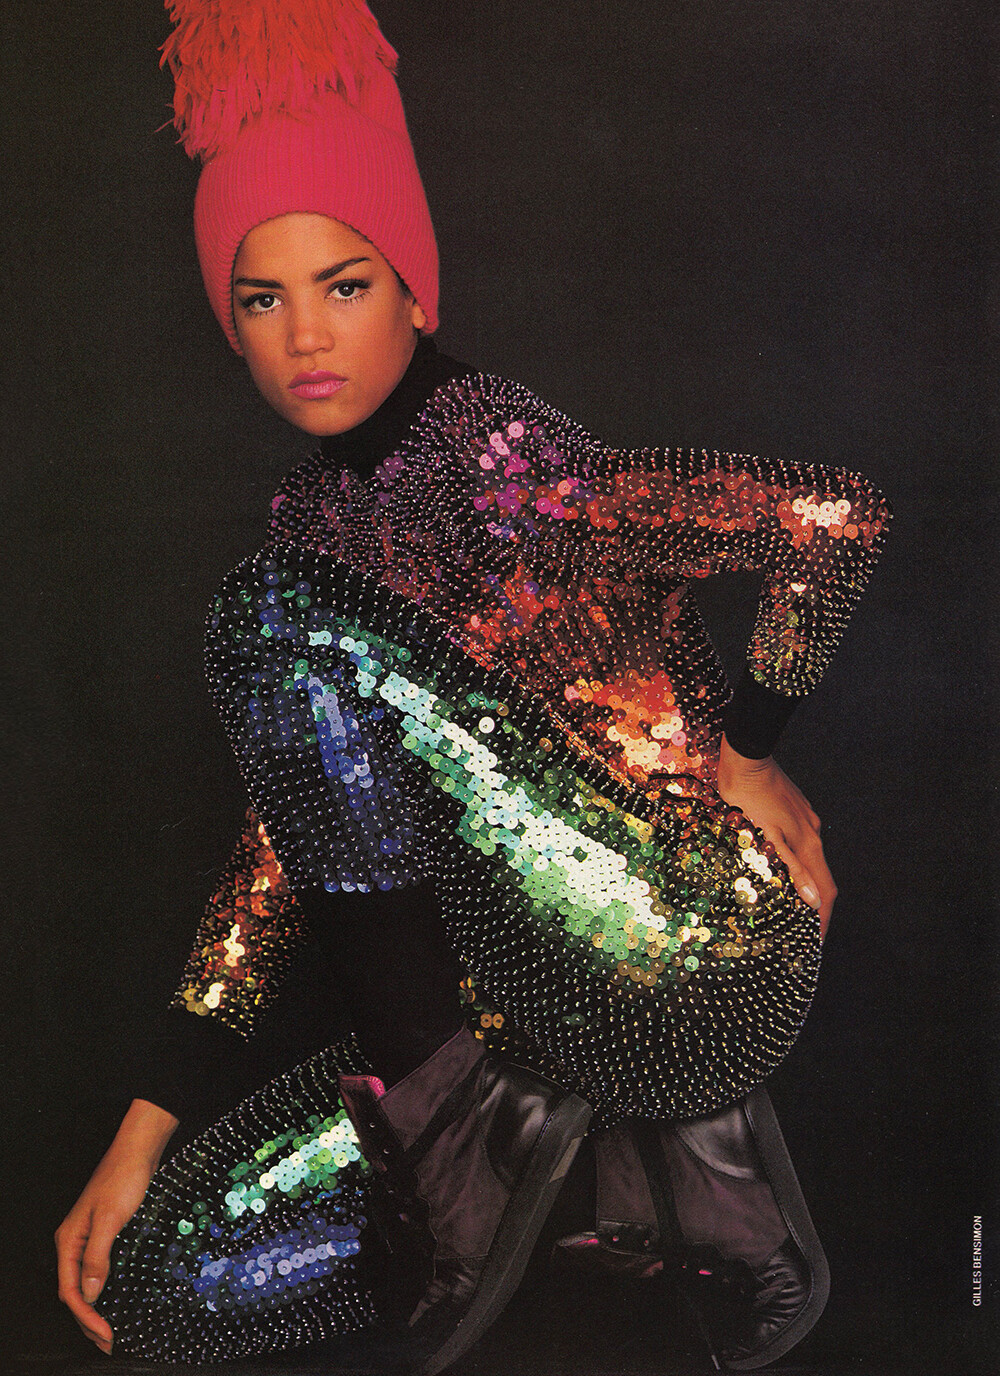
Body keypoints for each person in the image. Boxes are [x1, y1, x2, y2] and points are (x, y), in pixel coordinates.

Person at [54, 3, 890, 1372]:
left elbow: (830, 517)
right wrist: (145, 1125)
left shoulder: (499, 460)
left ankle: (481, 1147)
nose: (304, 336)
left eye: (345, 284)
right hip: (521, 1011)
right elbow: (290, 838)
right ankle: (638, 1183)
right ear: (230, 325)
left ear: (416, 293)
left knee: (279, 620)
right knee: (161, 1279)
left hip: (684, 947)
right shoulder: (315, 530)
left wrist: (751, 753)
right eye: (261, 300)